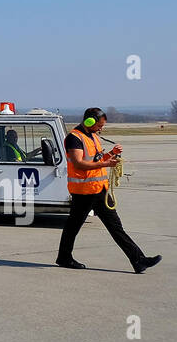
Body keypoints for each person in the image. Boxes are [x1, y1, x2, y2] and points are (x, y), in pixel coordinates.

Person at [55, 108, 162, 273]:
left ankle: (138, 260)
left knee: (111, 226)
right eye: (99, 125)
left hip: (99, 190)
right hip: (85, 191)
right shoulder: (74, 138)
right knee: (76, 225)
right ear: (89, 121)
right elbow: (79, 164)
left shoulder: (93, 137)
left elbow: (96, 159)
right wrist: (106, 164)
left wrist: (111, 155)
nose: (101, 129)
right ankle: (64, 257)